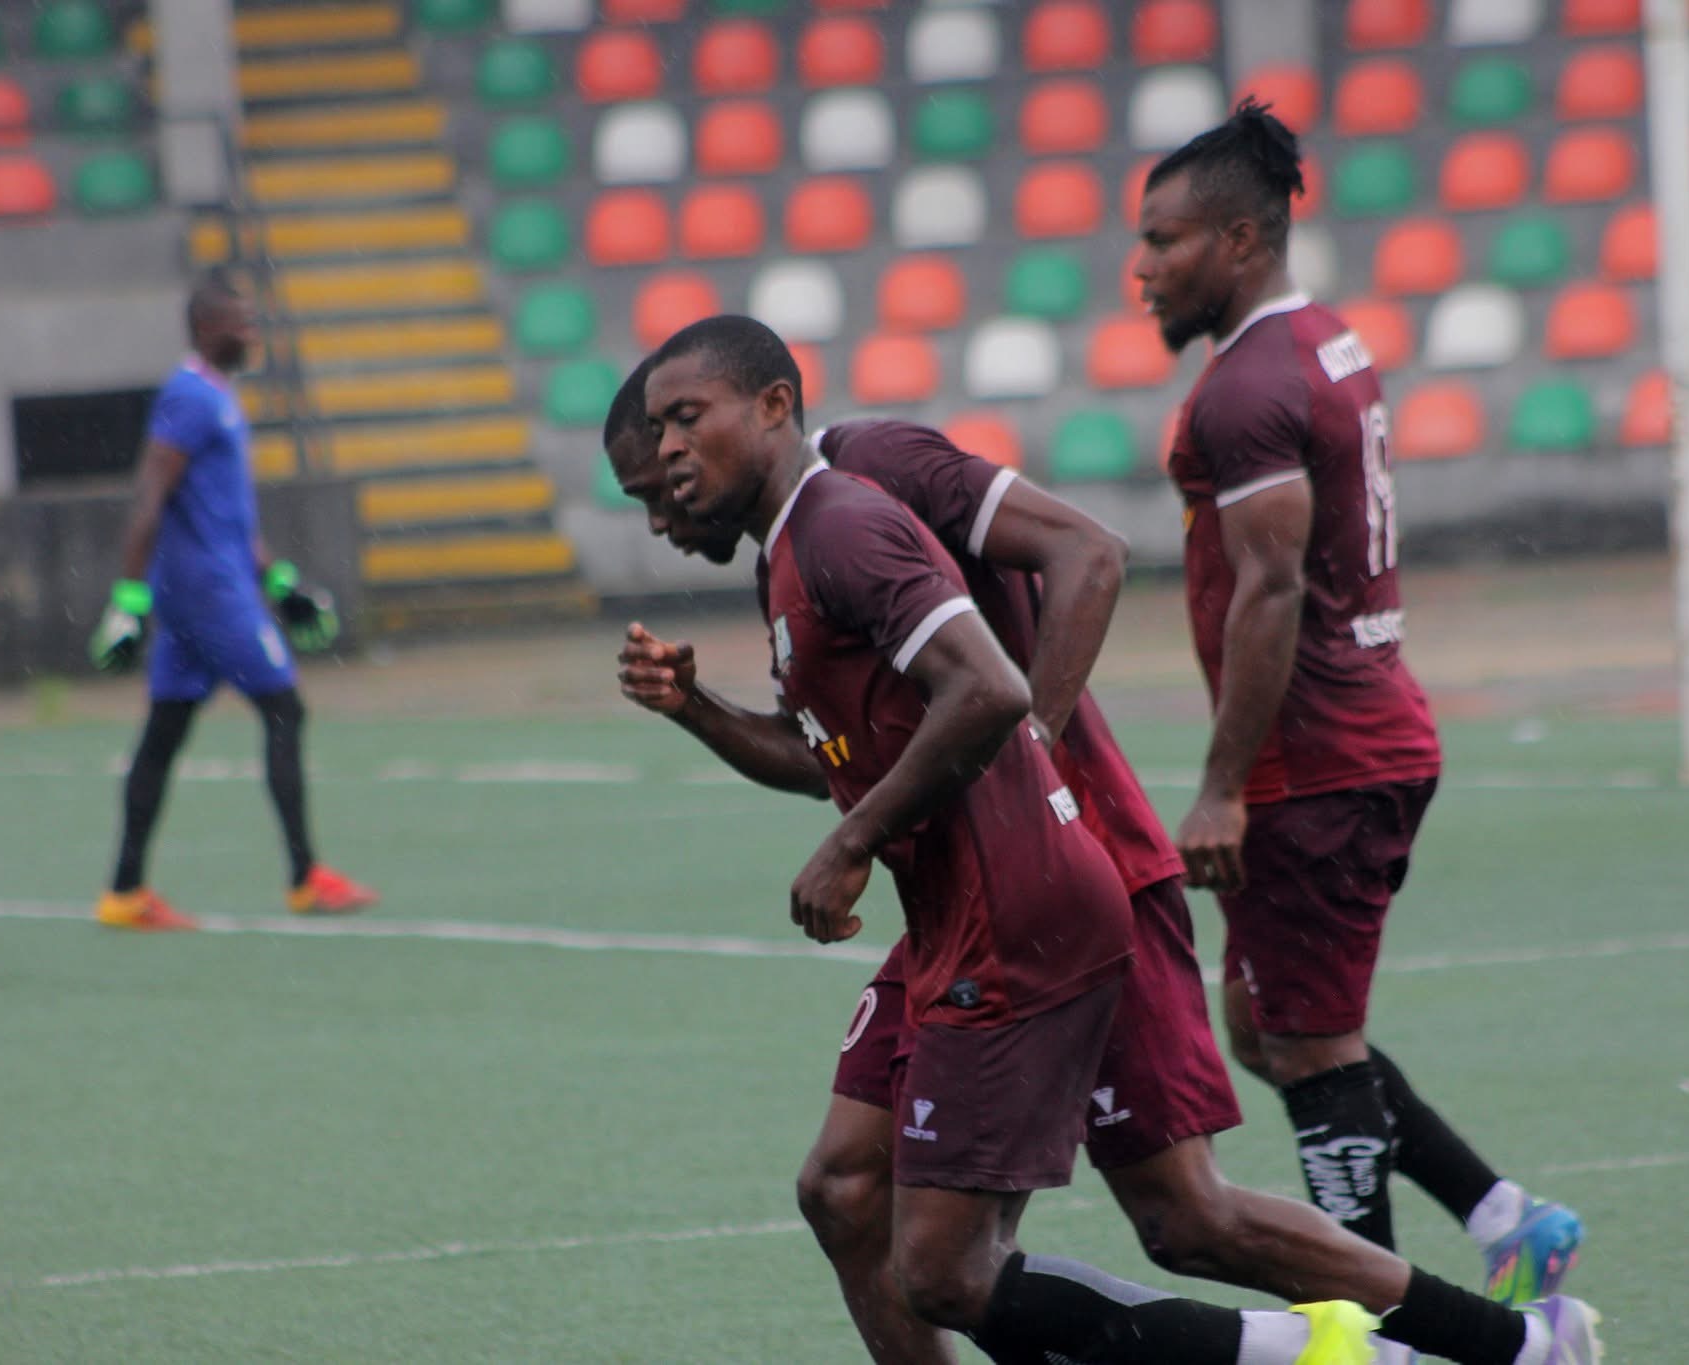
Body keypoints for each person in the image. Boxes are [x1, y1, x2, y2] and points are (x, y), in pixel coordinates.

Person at [609, 354, 1597, 1365]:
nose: (659, 514)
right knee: (847, 1192)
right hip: (972, 885)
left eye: (659, 476)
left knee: (1175, 1220)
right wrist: (696, 708)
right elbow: (833, 760)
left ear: (763, 411)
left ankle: (1486, 1347)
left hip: (1063, 871)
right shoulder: (785, 557)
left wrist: (1025, 762)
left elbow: (1086, 551)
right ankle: (1477, 1332)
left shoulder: (865, 481)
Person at [1135, 101, 1587, 1317]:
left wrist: (1222, 785)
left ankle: (1373, 1328)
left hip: (1318, 761)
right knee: (1267, 1033)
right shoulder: (1326, 342)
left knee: (1311, 1048)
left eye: (1164, 241)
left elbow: (1272, 585)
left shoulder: (1246, 392)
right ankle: (1504, 1218)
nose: (1141, 268)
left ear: (1238, 238)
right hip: (1359, 732)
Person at [88, 270, 376, 931]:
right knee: (284, 708)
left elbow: (224, 518)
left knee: (163, 733)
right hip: (209, 594)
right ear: (208, 329)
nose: (252, 334)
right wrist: (128, 600)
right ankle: (305, 878)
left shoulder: (216, 396)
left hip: (214, 585)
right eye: (241, 323)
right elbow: (149, 498)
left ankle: (125, 890)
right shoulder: (189, 397)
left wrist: (280, 582)